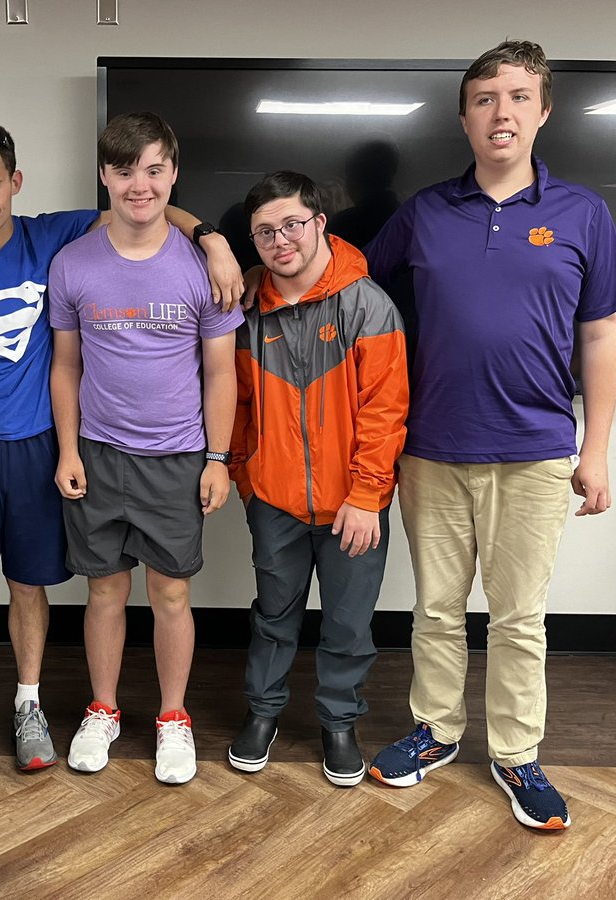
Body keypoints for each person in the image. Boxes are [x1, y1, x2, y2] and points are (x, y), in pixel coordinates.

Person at [0, 118, 243, 780]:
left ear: (15, 183)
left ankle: (38, 706)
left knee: (37, 585)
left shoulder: (54, 237)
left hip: (52, 449)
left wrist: (214, 238)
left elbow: (150, 202)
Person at [365, 40, 616, 829]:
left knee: (519, 617)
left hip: (537, 450)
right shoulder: (425, 213)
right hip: (431, 447)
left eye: (517, 97)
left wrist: (598, 450)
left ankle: (516, 754)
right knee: (436, 610)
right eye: (484, 99)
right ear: (464, 116)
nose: (500, 112)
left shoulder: (583, 213)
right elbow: (355, 290)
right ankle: (436, 732)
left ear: (543, 112)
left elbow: (601, 336)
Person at [48, 112, 243, 785]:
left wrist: (218, 458)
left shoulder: (202, 267)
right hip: (98, 454)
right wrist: (68, 451)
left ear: (173, 173)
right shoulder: (73, 262)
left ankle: (172, 718)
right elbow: (65, 366)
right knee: (103, 591)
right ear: (105, 174)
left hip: (178, 458)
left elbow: (222, 372)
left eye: (154, 169)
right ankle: (103, 709)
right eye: (126, 170)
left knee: (170, 593)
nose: (140, 185)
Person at [227, 171, 408, 787]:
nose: (282, 241)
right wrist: (246, 479)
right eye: (265, 233)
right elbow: (238, 407)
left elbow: (386, 413)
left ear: (320, 223)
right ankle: (264, 713)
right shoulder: (247, 314)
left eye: (292, 225)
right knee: (273, 615)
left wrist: (366, 497)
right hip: (273, 502)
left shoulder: (368, 305)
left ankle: (339, 721)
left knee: (348, 623)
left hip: (352, 507)